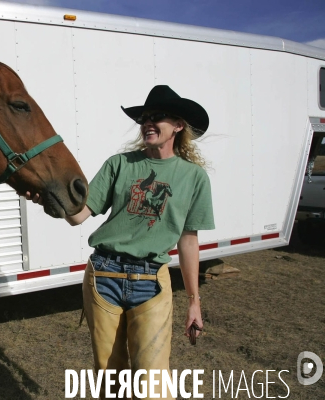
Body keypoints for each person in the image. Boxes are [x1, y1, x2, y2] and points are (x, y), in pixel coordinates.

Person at [24, 85, 214, 398]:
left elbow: (188, 241)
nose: (149, 123)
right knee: (109, 376)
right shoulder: (120, 165)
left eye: (158, 117)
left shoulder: (193, 177)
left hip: (151, 281)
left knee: (152, 383)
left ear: (179, 125)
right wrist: (47, 198)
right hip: (104, 276)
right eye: (145, 118)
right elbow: (79, 215)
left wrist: (194, 302)